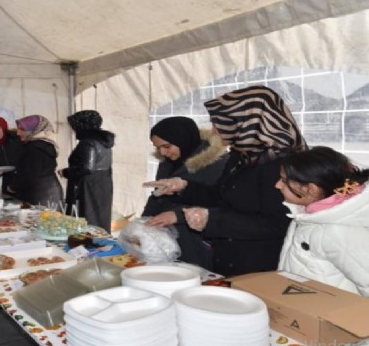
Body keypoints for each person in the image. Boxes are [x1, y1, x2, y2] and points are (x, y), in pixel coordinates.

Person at [147, 85, 307, 276]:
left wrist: (211, 219)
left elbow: (276, 224)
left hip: (260, 264)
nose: (214, 131)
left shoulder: (282, 165)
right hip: (229, 255)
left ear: (245, 122)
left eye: (219, 123)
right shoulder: (241, 156)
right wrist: (183, 187)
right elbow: (221, 196)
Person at [276, 146, 369, 296]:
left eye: (284, 181)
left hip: (333, 315)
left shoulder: (336, 230)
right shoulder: (312, 215)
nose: (277, 185)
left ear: (311, 189)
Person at [143, 116, 229, 270]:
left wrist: (178, 215)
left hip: (198, 240)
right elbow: (158, 196)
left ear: (183, 139)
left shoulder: (217, 164)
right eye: (158, 148)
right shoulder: (168, 162)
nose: (162, 152)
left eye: (167, 146)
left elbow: (218, 202)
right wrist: (143, 223)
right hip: (168, 235)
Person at [58, 110, 115, 231]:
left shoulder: (88, 142)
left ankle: (86, 246)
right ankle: (99, 243)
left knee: (85, 221)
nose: (74, 130)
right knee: (99, 220)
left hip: (87, 187)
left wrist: (65, 172)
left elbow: (85, 168)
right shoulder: (103, 142)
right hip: (102, 184)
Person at [8, 115, 63, 206]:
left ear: (34, 130)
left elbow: (29, 175)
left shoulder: (34, 148)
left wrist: (13, 187)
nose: (17, 133)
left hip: (41, 194)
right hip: (50, 190)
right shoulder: (45, 144)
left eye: (22, 130)